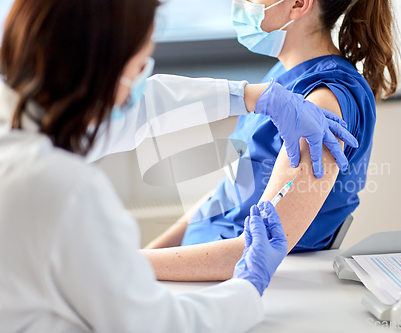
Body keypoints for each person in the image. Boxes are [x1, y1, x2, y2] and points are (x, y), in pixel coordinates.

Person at [0, 0, 357, 332]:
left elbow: (145, 110)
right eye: (140, 67)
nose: (141, 85)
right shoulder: (63, 188)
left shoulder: (325, 92)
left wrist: (249, 95)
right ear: (95, 72)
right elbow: (159, 324)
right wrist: (249, 285)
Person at [144, 0, 400, 281]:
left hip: (229, 282)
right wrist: (147, 253)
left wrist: (129, 266)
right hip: (190, 265)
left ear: (299, 4)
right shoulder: (279, 79)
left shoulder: (323, 103)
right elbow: (226, 195)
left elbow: (254, 251)